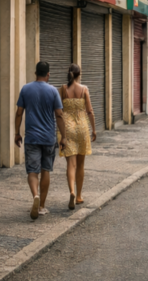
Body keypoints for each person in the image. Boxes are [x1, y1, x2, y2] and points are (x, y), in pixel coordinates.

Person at [14, 62, 68, 220]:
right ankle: (42, 206)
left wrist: (17, 133)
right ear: (48, 74)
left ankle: (35, 196)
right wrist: (63, 137)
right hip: (48, 138)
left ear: (35, 73)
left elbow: (19, 113)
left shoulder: (26, 89)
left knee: (32, 171)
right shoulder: (52, 91)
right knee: (45, 170)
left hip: (31, 137)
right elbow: (59, 115)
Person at [58, 64, 96, 210]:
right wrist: (93, 130)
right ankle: (79, 196)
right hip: (82, 127)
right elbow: (90, 111)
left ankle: (72, 192)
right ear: (79, 74)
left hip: (67, 129)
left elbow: (59, 111)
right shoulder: (84, 89)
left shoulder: (62, 89)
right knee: (80, 164)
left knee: (70, 164)